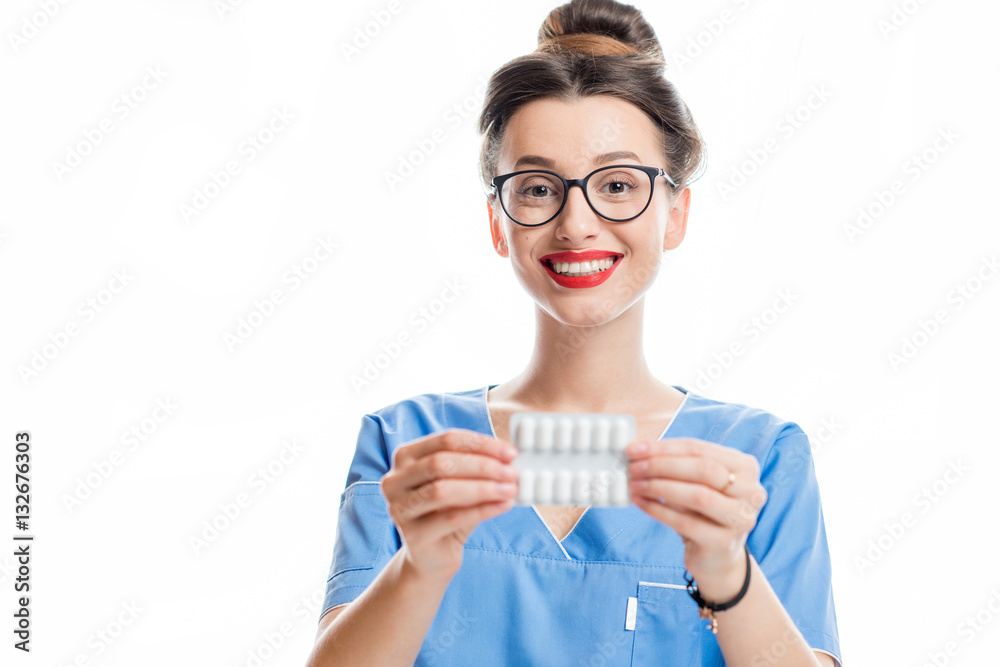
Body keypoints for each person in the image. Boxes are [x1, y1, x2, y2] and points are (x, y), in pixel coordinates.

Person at [306, 0, 842, 664]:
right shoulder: (407, 445)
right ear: (498, 221)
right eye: (536, 189)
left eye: (618, 184)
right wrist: (420, 564)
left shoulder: (759, 458)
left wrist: (728, 574)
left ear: (676, 213)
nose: (577, 223)